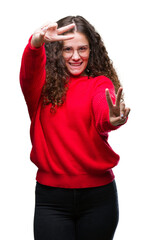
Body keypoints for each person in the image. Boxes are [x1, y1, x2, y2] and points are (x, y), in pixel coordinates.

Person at [20, 15, 130, 240]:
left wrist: (112, 118)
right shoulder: (40, 85)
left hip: (99, 199)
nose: (76, 56)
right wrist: (36, 42)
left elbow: (103, 110)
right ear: (57, 52)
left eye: (83, 48)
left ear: (92, 50)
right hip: (52, 201)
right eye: (67, 49)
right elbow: (29, 70)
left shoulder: (100, 83)